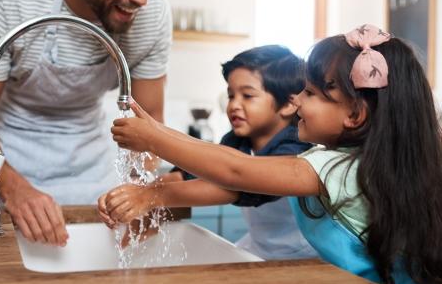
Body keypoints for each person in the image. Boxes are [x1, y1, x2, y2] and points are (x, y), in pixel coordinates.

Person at [106, 25, 442, 284]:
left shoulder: (331, 166)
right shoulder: (351, 161)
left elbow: (234, 171)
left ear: (354, 115)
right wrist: (155, 181)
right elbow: (224, 164)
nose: (298, 102)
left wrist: (154, 137)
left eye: (311, 94)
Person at [0, 0, 171, 247]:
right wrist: (14, 190)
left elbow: (150, 121)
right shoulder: (6, 0)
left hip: (95, 175)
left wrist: (138, 191)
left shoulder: (152, 16)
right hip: (10, 168)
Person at [99, 45, 317, 260]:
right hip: (259, 249)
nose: (234, 105)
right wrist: (133, 194)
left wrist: (150, 196)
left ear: (290, 104)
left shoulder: (296, 145)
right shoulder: (237, 140)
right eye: (231, 95)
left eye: (247, 96)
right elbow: (191, 173)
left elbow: (234, 185)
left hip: (306, 257)